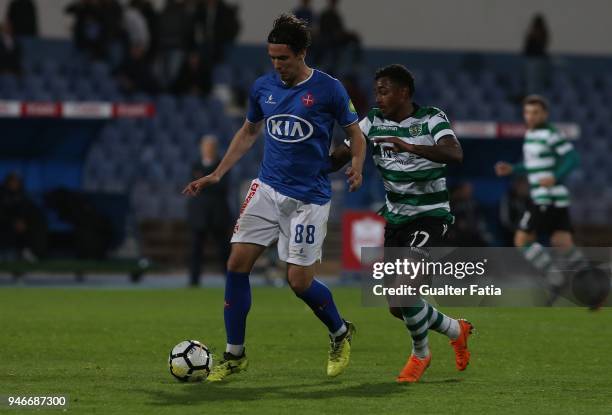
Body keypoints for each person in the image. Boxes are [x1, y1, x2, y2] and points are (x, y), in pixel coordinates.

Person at [183, 14, 365, 381]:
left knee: (298, 282)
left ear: (301, 54)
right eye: (272, 57)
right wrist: (218, 172)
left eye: (283, 58)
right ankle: (234, 356)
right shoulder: (263, 87)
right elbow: (249, 131)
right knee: (236, 263)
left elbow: (355, 134)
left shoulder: (329, 89)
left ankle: (340, 331)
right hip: (266, 188)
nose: (277, 65)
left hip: (309, 198)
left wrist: (357, 164)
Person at [330, 64, 473, 383]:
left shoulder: (431, 117)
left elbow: (455, 153)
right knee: (398, 306)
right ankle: (456, 329)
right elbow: (344, 151)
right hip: (394, 217)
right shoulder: (373, 122)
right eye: (376, 90)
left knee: (404, 289)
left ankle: (420, 355)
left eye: (384, 90)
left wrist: (409, 146)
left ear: (404, 93)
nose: (377, 96)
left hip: (430, 215)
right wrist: (309, 165)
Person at [495, 95, 581, 304]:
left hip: (545, 197)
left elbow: (572, 158)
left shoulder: (550, 133)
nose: (530, 116)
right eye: (527, 112)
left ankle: (555, 278)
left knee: (522, 240)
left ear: (545, 114)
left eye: (535, 112)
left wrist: (555, 176)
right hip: (556, 198)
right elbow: (534, 165)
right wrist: (514, 169)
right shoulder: (532, 134)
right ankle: (590, 278)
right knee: (562, 243)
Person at [187, 135, 231, 286]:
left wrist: (204, 183)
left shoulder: (222, 165)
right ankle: (194, 280)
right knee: (196, 249)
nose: (208, 149)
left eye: (211, 146)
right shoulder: (195, 165)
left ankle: (229, 279)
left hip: (218, 213)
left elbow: (223, 187)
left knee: (224, 249)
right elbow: (192, 187)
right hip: (199, 214)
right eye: (206, 146)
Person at [0, 172, 47, 260]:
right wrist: (13, 222)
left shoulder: (22, 195)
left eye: (17, 181)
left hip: (20, 225)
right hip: (5, 224)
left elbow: (26, 210)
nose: (14, 184)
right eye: (12, 181)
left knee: (35, 224)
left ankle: (28, 251)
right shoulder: (2, 194)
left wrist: (21, 221)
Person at [499, 176, 530, 246]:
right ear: (517, 185)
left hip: (526, 233)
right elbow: (505, 221)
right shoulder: (507, 198)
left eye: (527, 185)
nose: (526, 188)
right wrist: (520, 231)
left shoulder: (528, 199)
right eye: (524, 185)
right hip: (510, 235)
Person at [523, 14, 550, 94]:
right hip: (537, 60)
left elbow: (529, 47)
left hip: (533, 60)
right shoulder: (542, 33)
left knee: (533, 84)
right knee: (534, 84)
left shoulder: (534, 33)